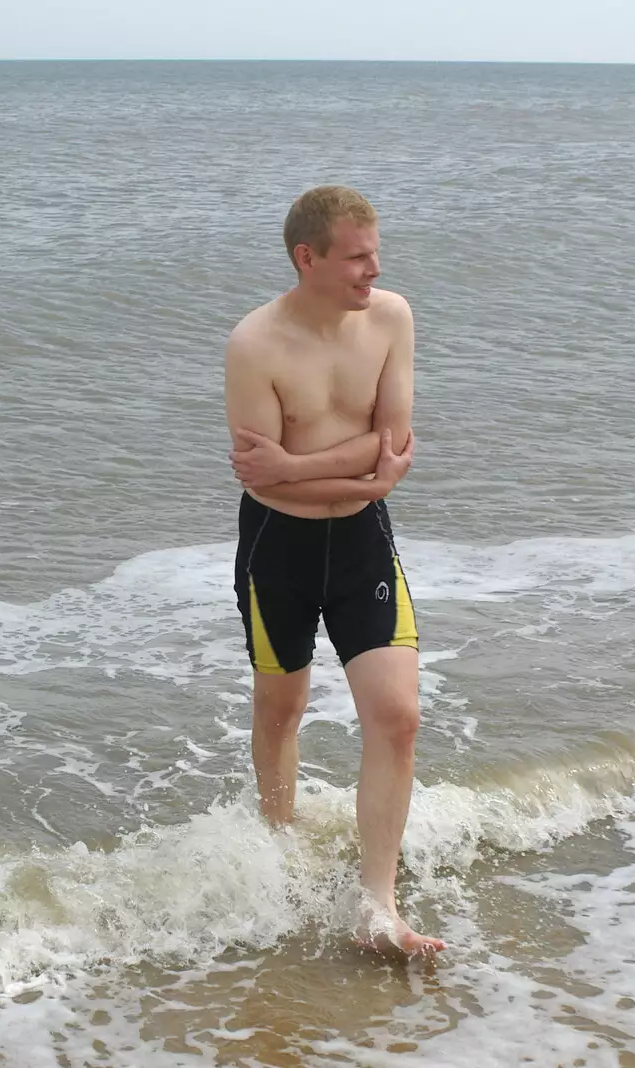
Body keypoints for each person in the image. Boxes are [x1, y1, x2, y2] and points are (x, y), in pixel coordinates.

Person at [223, 184, 444, 958]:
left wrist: (306, 464)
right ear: (306, 257)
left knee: (398, 717)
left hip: (361, 546)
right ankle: (279, 853)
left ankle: (379, 904)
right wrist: (361, 475)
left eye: (376, 253)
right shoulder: (255, 344)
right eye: (356, 257)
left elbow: (395, 434)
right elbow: (263, 483)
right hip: (276, 549)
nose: (372, 271)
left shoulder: (392, 318)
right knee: (281, 709)